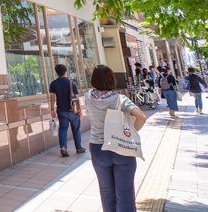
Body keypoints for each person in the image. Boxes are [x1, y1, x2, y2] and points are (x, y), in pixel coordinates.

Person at [85, 65, 147, 212]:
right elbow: (141, 117)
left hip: (98, 148)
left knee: (106, 191)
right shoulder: (120, 99)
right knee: (125, 193)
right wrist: (131, 132)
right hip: (121, 147)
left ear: (93, 80)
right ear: (111, 79)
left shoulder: (88, 97)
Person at [49, 63, 85, 157]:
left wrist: (52, 109)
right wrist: (80, 111)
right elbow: (77, 98)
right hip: (73, 111)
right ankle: (78, 148)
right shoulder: (72, 83)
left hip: (61, 111)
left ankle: (63, 149)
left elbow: (52, 98)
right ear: (66, 72)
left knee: (63, 129)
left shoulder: (53, 83)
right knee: (76, 129)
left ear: (57, 73)